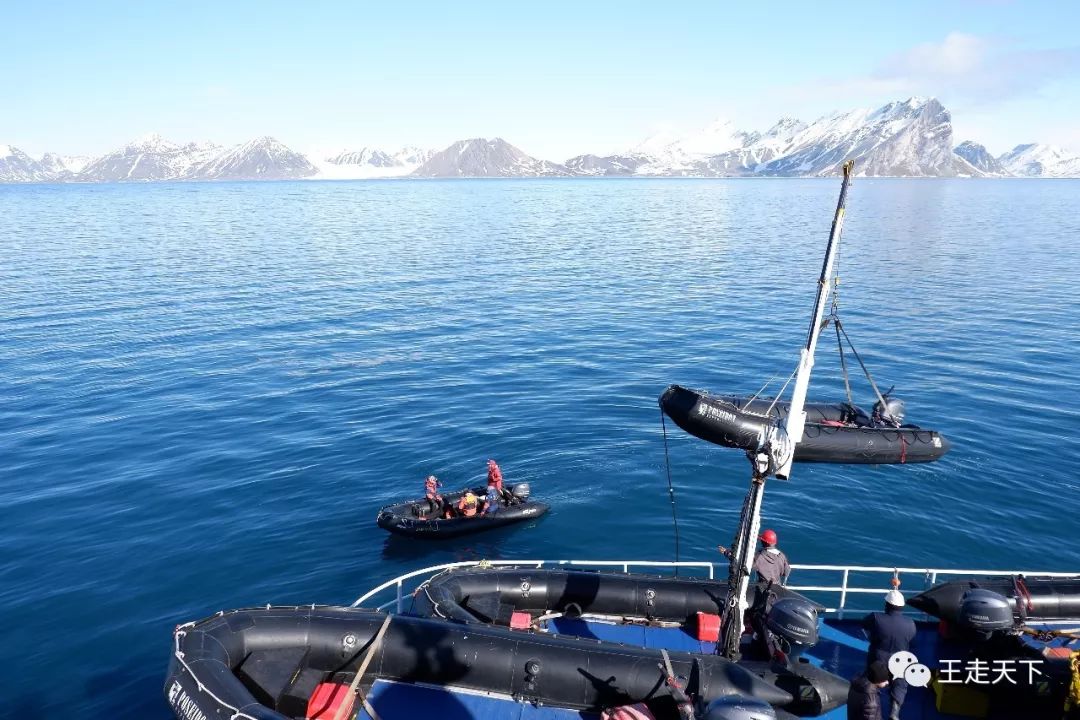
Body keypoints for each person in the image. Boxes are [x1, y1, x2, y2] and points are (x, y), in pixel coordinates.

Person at [863, 589, 916, 720]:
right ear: (902, 606)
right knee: (900, 684)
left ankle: (871, 703)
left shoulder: (876, 618)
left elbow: (864, 624)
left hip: (878, 658)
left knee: (872, 679)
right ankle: (895, 711)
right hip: (900, 660)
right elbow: (910, 639)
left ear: (886, 604)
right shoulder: (911, 624)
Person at [717, 529, 790, 586]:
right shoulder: (781, 556)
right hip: (777, 587)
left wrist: (726, 552)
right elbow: (786, 572)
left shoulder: (759, 556)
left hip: (763, 589)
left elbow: (741, 562)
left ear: (764, 542)